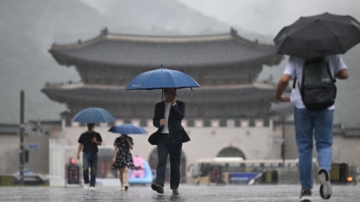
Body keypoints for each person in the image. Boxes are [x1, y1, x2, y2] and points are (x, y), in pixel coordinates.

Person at [275, 55, 349, 201]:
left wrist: (278, 95)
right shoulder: (331, 53)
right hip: (326, 104)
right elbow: (345, 74)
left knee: (304, 146)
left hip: (302, 106)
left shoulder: (297, 55)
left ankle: (306, 189)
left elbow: (284, 79)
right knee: (324, 144)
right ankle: (324, 171)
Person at [150, 88, 190, 195]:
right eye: (167, 93)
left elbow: (180, 116)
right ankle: (159, 184)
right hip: (162, 137)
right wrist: (159, 122)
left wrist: (174, 104)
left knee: (175, 163)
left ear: (175, 94)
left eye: (171, 93)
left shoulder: (180, 105)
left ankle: (174, 187)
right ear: (164, 93)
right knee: (162, 160)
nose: (169, 95)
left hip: (175, 138)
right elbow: (154, 121)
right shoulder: (159, 106)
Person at [76, 123, 103, 191]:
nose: (90, 126)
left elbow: (100, 143)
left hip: (94, 153)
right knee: (85, 168)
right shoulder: (83, 135)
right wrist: (78, 153)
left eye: (92, 125)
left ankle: (92, 185)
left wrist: (95, 141)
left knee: (93, 170)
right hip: (86, 154)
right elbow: (80, 144)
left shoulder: (96, 134)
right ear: (87, 125)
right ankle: (86, 182)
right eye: (89, 125)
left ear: (93, 126)